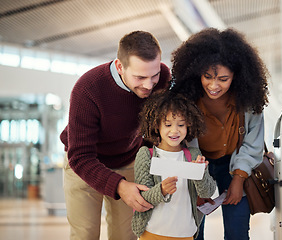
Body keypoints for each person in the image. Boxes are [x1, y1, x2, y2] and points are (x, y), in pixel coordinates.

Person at [60, 30, 171, 240]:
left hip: (128, 159)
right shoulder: (88, 89)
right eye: (140, 77)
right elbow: (80, 156)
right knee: (85, 234)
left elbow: (157, 127)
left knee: (126, 235)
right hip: (84, 164)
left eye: (153, 75)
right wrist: (120, 186)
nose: (149, 85)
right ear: (120, 66)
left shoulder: (163, 77)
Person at [170, 28, 269, 240]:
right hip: (195, 166)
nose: (214, 86)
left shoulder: (249, 102)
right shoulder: (186, 100)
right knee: (192, 231)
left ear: (237, 76)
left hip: (233, 165)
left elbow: (253, 143)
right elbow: (179, 144)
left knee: (237, 231)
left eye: (223, 79)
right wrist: (196, 184)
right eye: (207, 77)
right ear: (197, 73)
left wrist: (238, 178)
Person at [131, 90, 216, 240]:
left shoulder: (194, 154)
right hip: (152, 232)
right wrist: (162, 190)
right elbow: (142, 197)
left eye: (181, 125)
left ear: (188, 125)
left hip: (186, 233)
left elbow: (207, 193)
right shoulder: (146, 155)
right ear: (157, 126)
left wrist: (200, 174)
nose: (174, 131)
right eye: (168, 124)